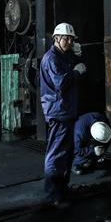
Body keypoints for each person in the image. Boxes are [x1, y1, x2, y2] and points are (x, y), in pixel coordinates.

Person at [40, 22, 87, 206]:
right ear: (56, 39)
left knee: (66, 155)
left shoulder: (62, 56)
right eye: (65, 38)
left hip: (66, 111)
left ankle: (62, 190)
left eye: (71, 39)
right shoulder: (51, 58)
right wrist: (76, 71)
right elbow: (61, 83)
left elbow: (68, 70)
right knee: (57, 154)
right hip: (58, 112)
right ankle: (53, 195)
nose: (68, 41)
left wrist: (74, 56)